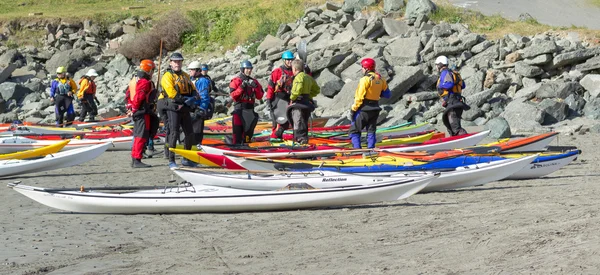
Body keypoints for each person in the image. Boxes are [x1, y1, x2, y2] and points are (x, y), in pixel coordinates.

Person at [159, 52, 198, 169]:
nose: (177, 64)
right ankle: (171, 159)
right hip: (173, 107)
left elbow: (193, 89)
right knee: (174, 132)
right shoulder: (167, 76)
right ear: (171, 63)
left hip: (184, 107)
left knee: (189, 133)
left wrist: (193, 97)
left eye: (179, 61)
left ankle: (187, 158)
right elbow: (171, 93)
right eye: (175, 62)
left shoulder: (185, 76)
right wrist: (186, 100)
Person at [348, 58, 391, 149]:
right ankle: (371, 149)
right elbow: (387, 94)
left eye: (362, 67)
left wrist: (353, 109)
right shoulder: (380, 79)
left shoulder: (365, 80)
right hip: (375, 108)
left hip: (364, 108)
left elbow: (359, 98)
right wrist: (377, 92)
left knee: (354, 131)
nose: (362, 69)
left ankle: (357, 150)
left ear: (366, 68)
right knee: (371, 130)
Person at [127, 60, 159, 168]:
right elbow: (139, 97)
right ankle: (137, 159)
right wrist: (135, 108)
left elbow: (128, 95)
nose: (153, 72)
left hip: (138, 111)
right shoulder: (144, 82)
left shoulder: (134, 80)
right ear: (149, 70)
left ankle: (135, 158)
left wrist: (130, 108)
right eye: (153, 70)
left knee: (138, 135)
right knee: (141, 136)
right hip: (142, 112)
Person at [229, 60, 264, 144]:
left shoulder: (254, 82)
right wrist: (241, 87)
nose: (249, 70)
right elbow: (233, 96)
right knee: (237, 135)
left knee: (248, 135)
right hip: (239, 110)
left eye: (250, 68)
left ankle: (246, 145)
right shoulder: (236, 81)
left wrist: (256, 88)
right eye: (247, 68)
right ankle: (236, 146)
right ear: (242, 69)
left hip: (250, 111)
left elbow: (259, 97)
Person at [286, 59, 320, 144]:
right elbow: (316, 90)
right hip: (306, 103)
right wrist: (308, 96)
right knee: (304, 123)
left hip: (298, 104)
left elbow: (297, 90)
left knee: (298, 122)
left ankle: (300, 141)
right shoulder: (308, 77)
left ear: (295, 69)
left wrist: (292, 98)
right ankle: (304, 140)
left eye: (292, 69)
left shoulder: (298, 77)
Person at [435, 55, 469, 136]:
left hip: (453, 103)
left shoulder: (445, 73)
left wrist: (440, 85)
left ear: (440, 64)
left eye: (436, 65)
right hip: (456, 102)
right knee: (450, 126)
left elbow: (449, 85)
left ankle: (467, 141)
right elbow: (463, 85)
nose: (436, 67)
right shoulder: (452, 73)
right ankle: (455, 143)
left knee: (455, 127)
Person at [266, 51, 295, 141]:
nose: (290, 62)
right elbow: (270, 87)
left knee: (290, 121)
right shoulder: (277, 72)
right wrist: (268, 100)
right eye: (288, 60)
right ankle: (275, 137)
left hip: (290, 99)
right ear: (284, 60)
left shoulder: (295, 71)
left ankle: (284, 135)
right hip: (279, 100)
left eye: (291, 60)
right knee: (278, 122)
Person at [188, 61, 212, 148]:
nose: (190, 71)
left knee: (197, 129)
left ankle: (197, 144)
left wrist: (201, 109)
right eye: (189, 70)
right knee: (189, 129)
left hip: (198, 108)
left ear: (198, 70)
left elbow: (205, 97)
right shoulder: (191, 79)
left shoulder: (203, 81)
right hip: (190, 108)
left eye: (192, 70)